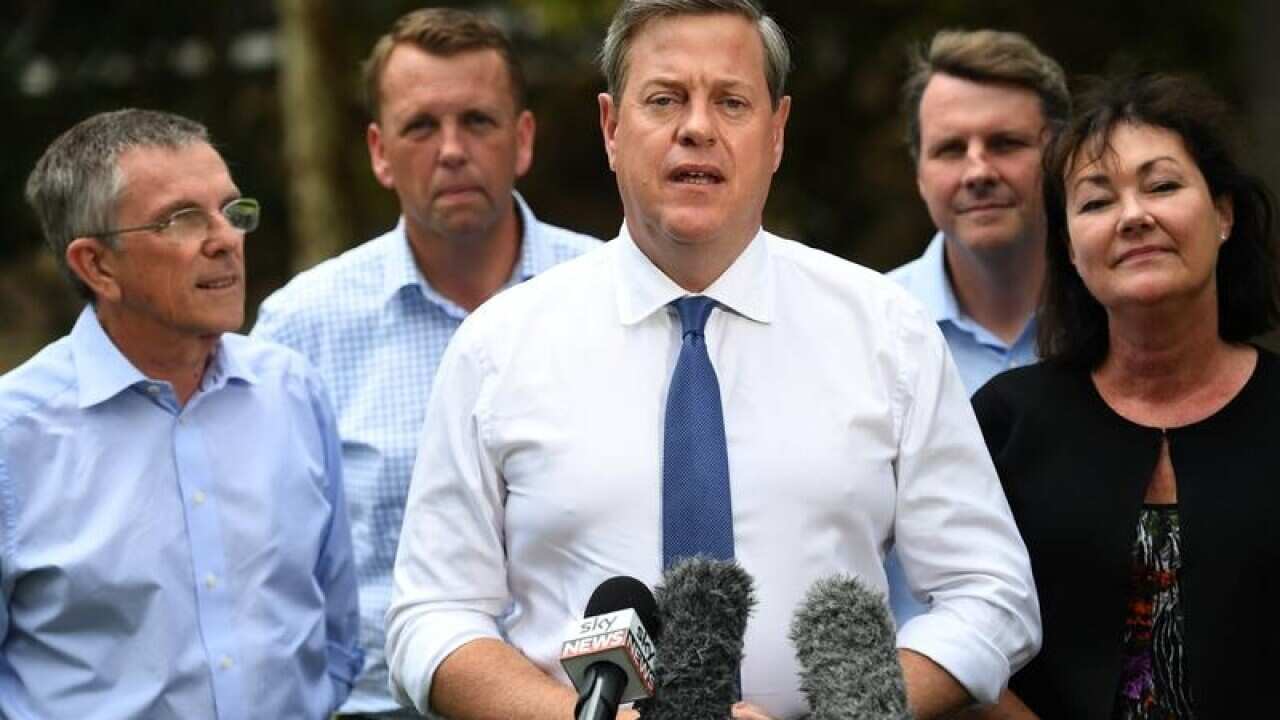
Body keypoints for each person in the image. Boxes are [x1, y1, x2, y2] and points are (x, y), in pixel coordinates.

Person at [386, 2, 1039, 719]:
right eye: (665, 99)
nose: (697, 128)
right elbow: (434, 616)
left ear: (777, 132)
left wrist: (851, 713)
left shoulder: (886, 333)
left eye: (731, 102)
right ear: (610, 128)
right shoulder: (498, 348)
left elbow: (990, 595)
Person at [251, 9, 600, 717]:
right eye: (420, 127)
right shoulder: (300, 332)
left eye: (478, 121)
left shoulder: (611, 297)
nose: (451, 150)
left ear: (522, 139)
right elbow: (262, 570)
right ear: (379, 151)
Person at [1, 109, 361, 718]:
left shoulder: (291, 391)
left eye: (230, 210)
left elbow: (337, 631)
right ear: (97, 265)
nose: (225, 239)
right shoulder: (15, 436)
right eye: (182, 219)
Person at [971, 73, 1280, 718]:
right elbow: (959, 628)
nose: (1134, 216)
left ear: (1223, 214)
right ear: (1070, 249)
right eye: (1096, 201)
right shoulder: (1007, 421)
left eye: (1163, 185)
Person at [885, 28, 1068, 623]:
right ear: (918, 171)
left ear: (1061, 155)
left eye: (1006, 143)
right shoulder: (868, 330)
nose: (978, 170)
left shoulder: (1123, 319)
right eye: (950, 149)